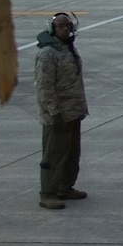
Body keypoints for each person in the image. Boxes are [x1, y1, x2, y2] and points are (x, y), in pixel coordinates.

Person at [34, 12, 89, 209]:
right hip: (57, 115)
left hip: (72, 111)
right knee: (53, 156)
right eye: (60, 26)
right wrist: (54, 112)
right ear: (52, 28)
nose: (65, 29)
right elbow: (44, 87)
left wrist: (80, 108)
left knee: (71, 154)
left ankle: (64, 187)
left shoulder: (67, 49)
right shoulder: (48, 54)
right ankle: (47, 193)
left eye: (67, 26)